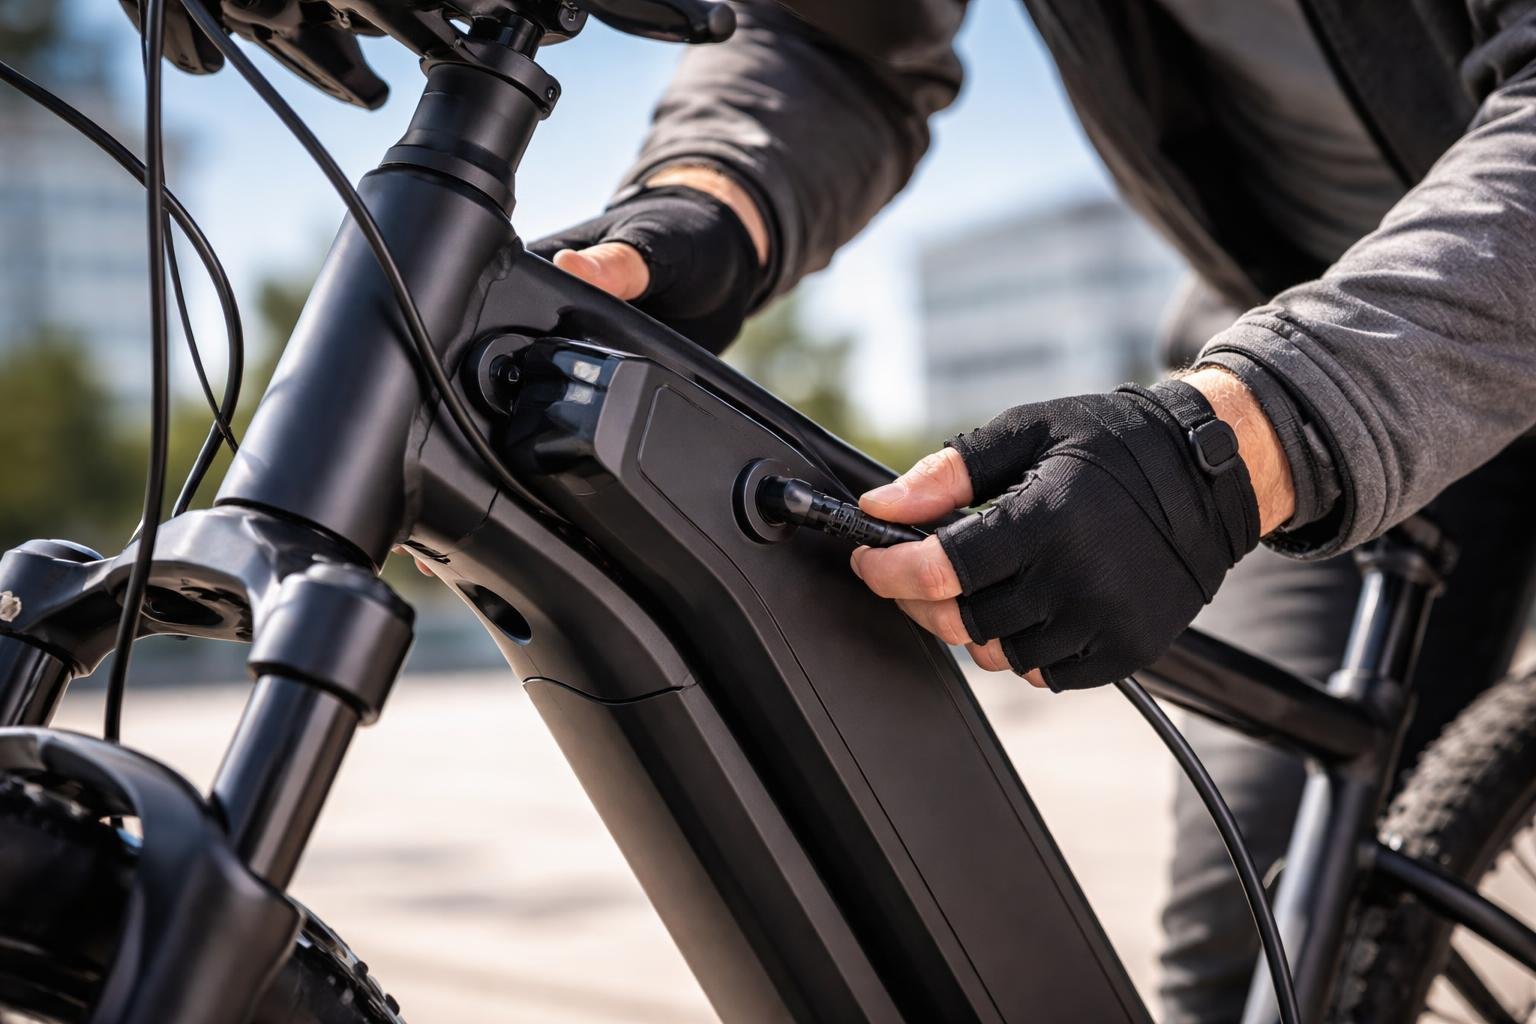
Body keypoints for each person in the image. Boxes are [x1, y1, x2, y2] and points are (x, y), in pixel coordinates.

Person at [532, 2, 1536, 1019]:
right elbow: (838, 38)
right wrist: (712, 198)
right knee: (1259, 941)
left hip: (1355, 357)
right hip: (1311, 343)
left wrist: (1235, 441)